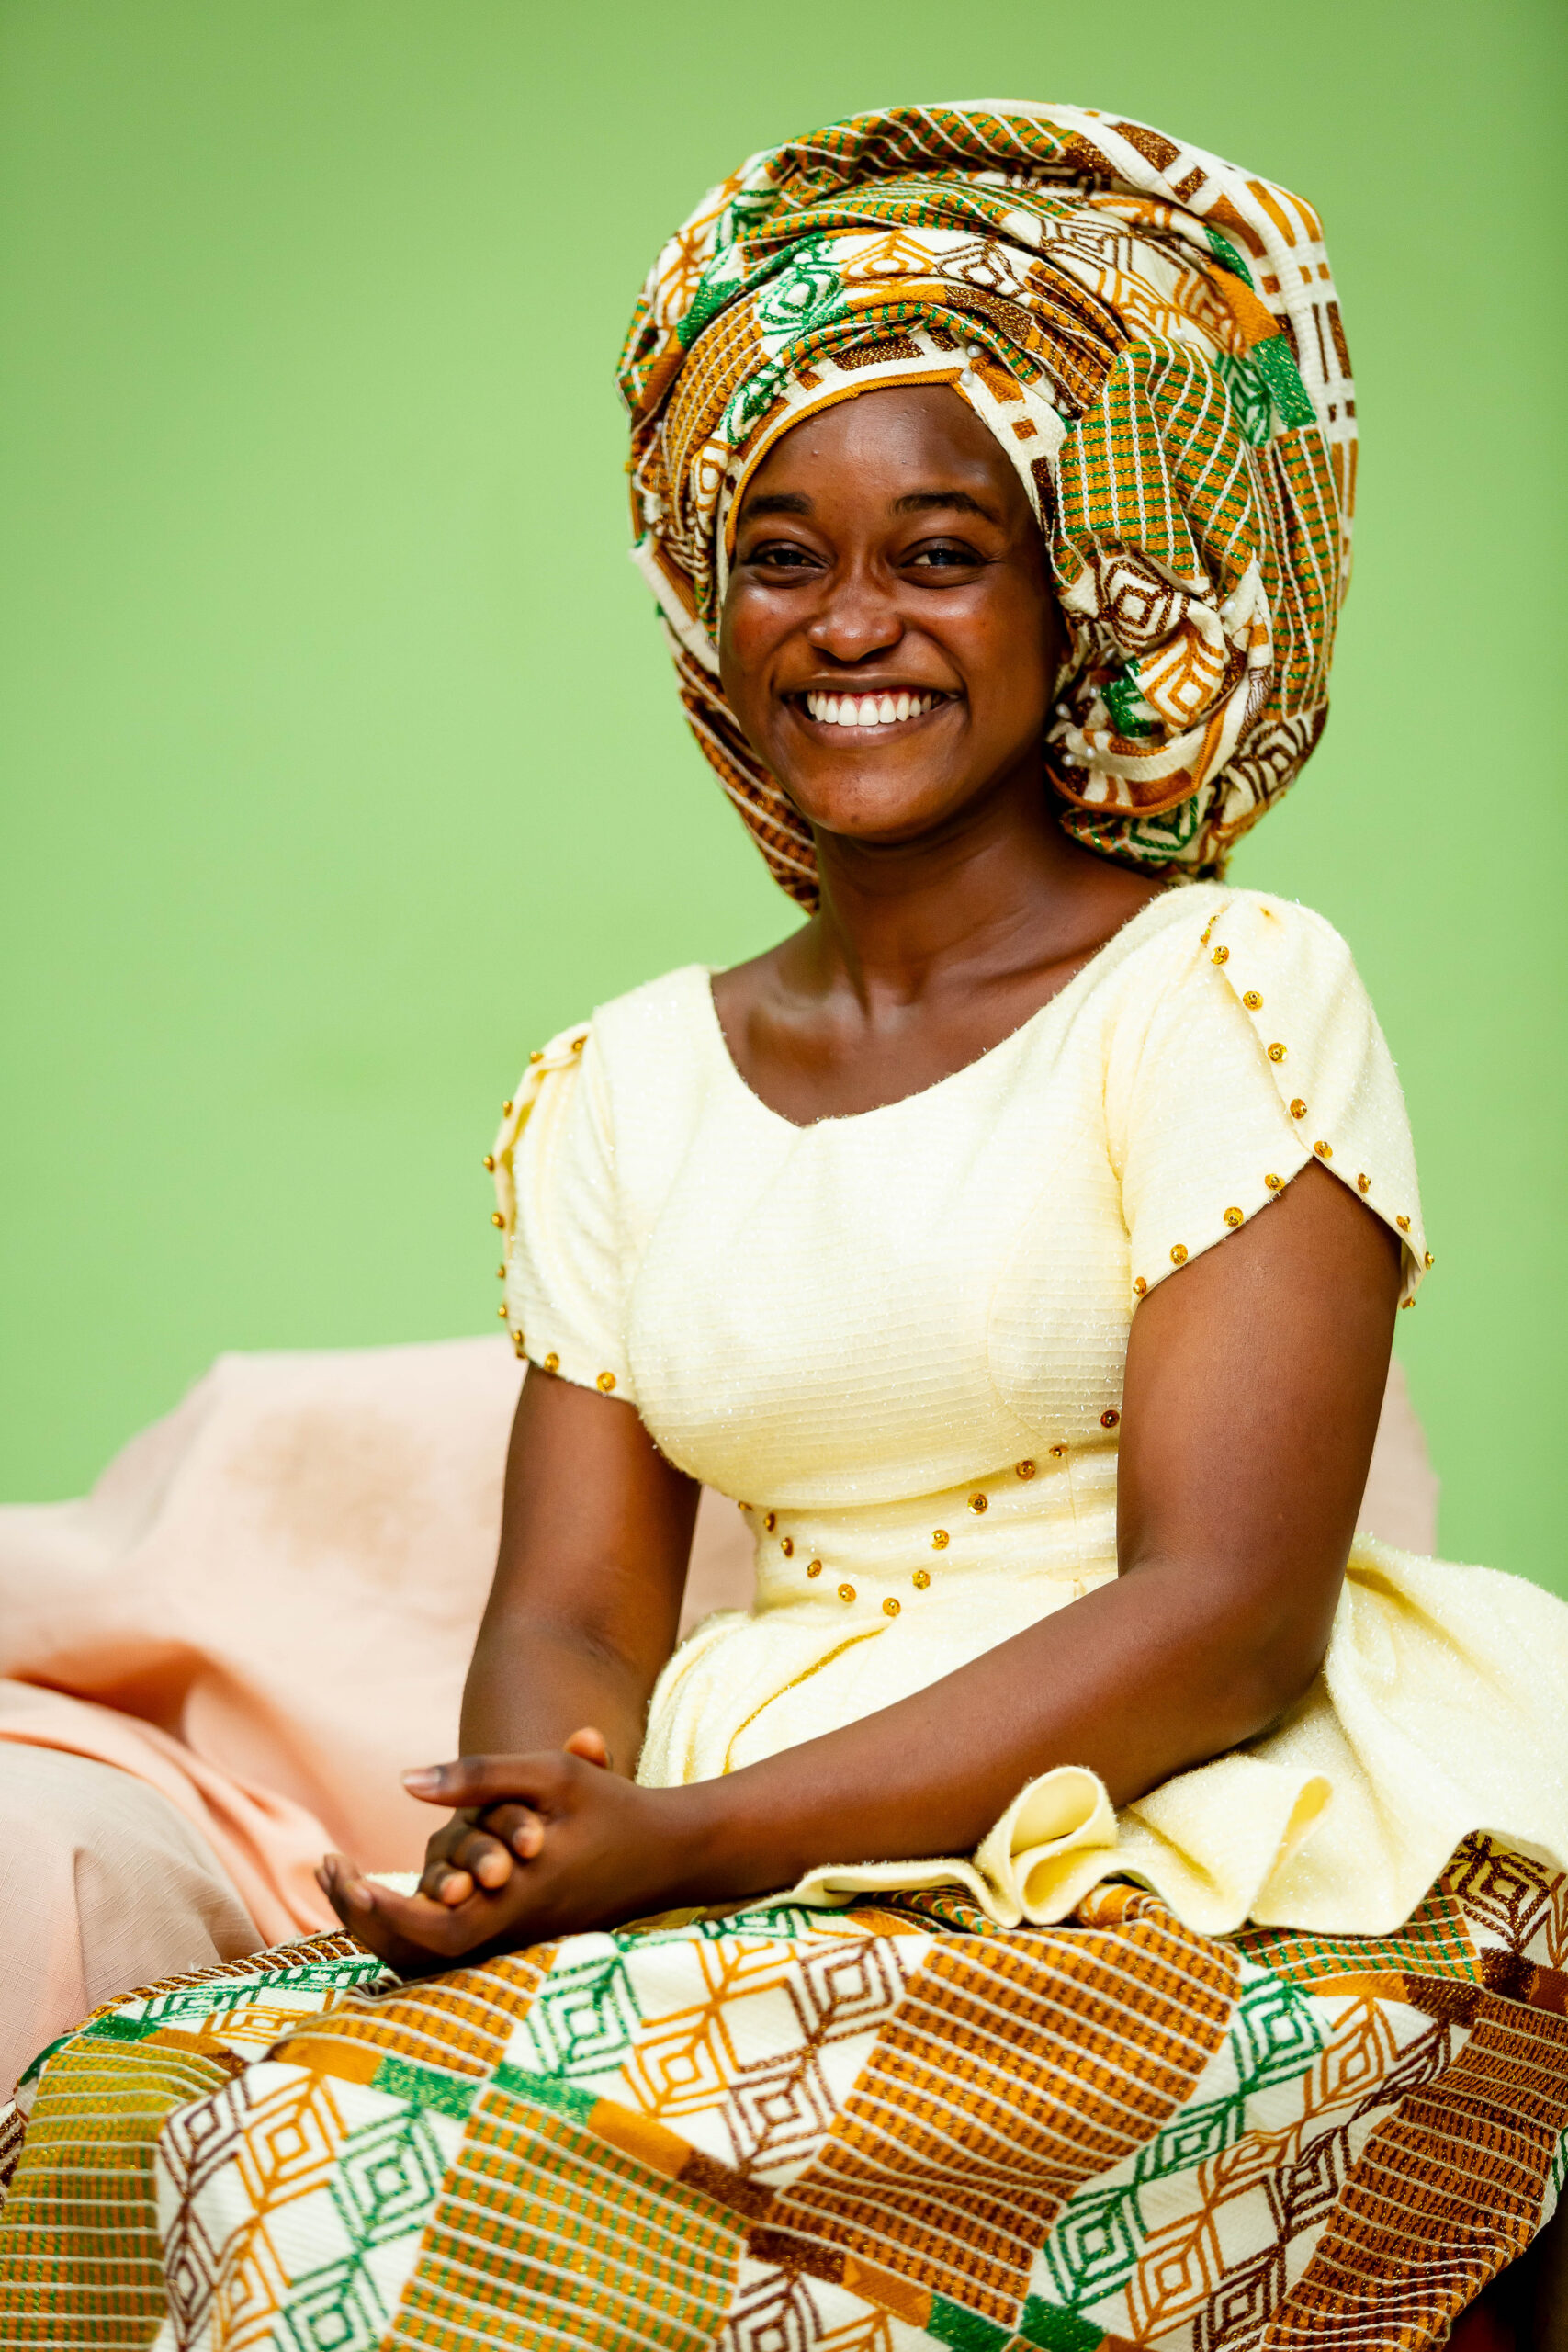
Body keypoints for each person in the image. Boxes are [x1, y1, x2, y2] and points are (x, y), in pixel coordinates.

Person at [4, 100, 1567, 2352]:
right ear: (708, 608)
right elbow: (569, 1613)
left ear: (1068, 602)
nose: (849, 622)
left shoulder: (1221, 989)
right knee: (126, 2104)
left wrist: (689, 1844)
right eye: (778, 554)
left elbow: (1227, 1615)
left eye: (939, 553)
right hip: (750, 1854)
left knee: (346, 2165)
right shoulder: (617, 1083)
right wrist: (537, 1834)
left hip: (1185, 1847)